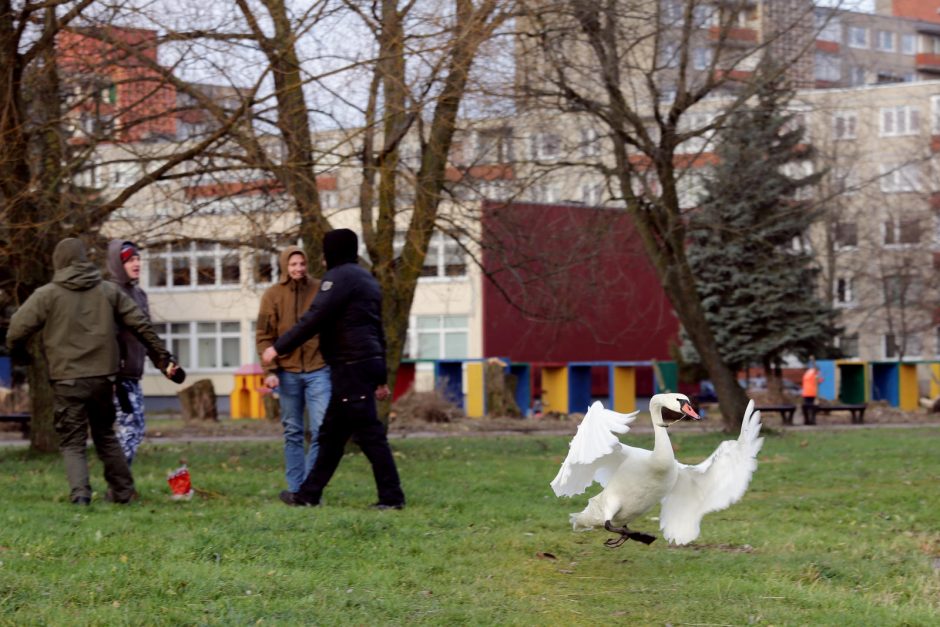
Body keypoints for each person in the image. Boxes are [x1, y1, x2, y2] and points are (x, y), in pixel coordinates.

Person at [6, 238, 180, 505]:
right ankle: (123, 493)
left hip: (67, 380)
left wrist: (20, 355)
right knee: (105, 435)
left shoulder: (47, 295)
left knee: (73, 441)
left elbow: (16, 329)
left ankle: (80, 496)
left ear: (58, 262)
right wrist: (163, 358)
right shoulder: (108, 291)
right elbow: (140, 325)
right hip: (103, 379)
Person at [262, 228, 405, 510]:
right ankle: (307, 495)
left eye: (326, 253)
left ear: (333, 252)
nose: (323, 260)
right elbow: (378, 331)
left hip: (350, 366)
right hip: (361, 365)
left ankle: (392, 497)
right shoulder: (367, 280)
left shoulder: (339, 279)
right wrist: (381, 378)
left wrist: (278, 347)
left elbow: (314, 319)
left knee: (369, 435)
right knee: (331, 434)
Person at [255, 245, 331, 496]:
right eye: (293, 264)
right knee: (293, 431)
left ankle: (311, 489)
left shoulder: (320, 288)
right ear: (285, 266)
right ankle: (295, 488)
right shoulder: (272, 296)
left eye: (302, 264)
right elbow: (264, 337)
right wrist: (270, 371)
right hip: (286, 372)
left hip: (318, 368)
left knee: (322, 429)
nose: (298, 268)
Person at [106, 240, 154, 465]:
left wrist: (164, 361)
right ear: (118, 263)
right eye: (129, 260)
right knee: (128, 428)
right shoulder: (109, 294)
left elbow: (148, 334)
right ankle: (119, 484)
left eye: (137, 258)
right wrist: (113, 376)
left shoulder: (140, 294)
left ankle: (121, 482)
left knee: (136, 429)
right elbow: (107, 337)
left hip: (135, 374)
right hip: (117, 376)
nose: (136, 263)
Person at [801, 359, 824, 425]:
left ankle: (807, 420)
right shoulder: (816, 373)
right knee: (814, 407)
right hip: (813, 393)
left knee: (807, 406)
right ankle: (812, 420)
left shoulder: (806, 373)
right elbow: (821, 380)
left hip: (806, 393)